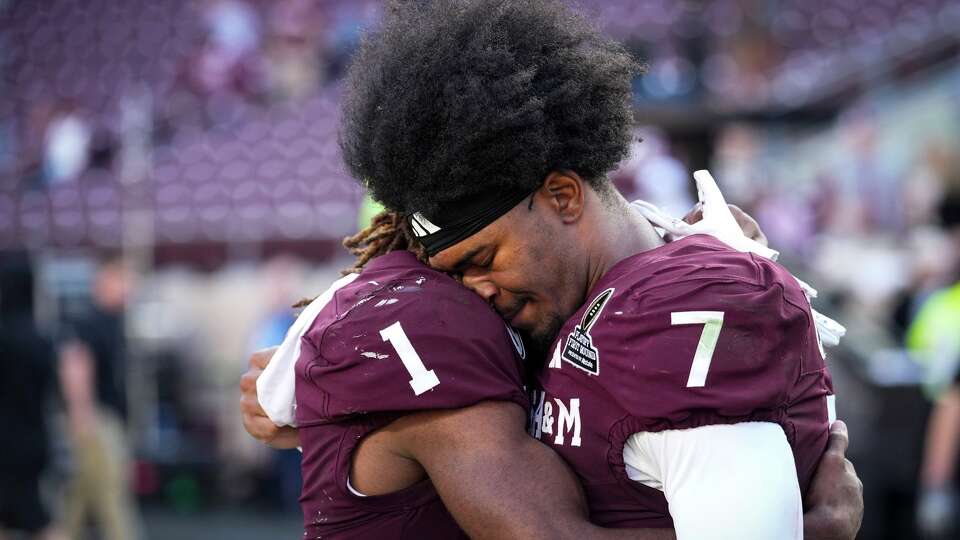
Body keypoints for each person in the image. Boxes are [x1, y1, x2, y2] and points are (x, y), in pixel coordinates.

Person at [333, 0, 859, 538]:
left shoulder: (689, 302)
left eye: (483, 260)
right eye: (456, 274)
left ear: (562, 196)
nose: (477, 291)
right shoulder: (562, 300)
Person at [58, 254, 141, 540]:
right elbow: (76, 367)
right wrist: (82, 415)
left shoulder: (116, 320)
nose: (128, 287)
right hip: (98, 418)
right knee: (111, 493)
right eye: (122, 279)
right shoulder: (90, 320)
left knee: (79, 495)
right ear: (104, 280)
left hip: (106, 416)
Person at [0, 253, 63, 540]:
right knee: (36, 516)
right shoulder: (41, 339)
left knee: (35, 517)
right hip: (34, 440)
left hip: (8, 445)